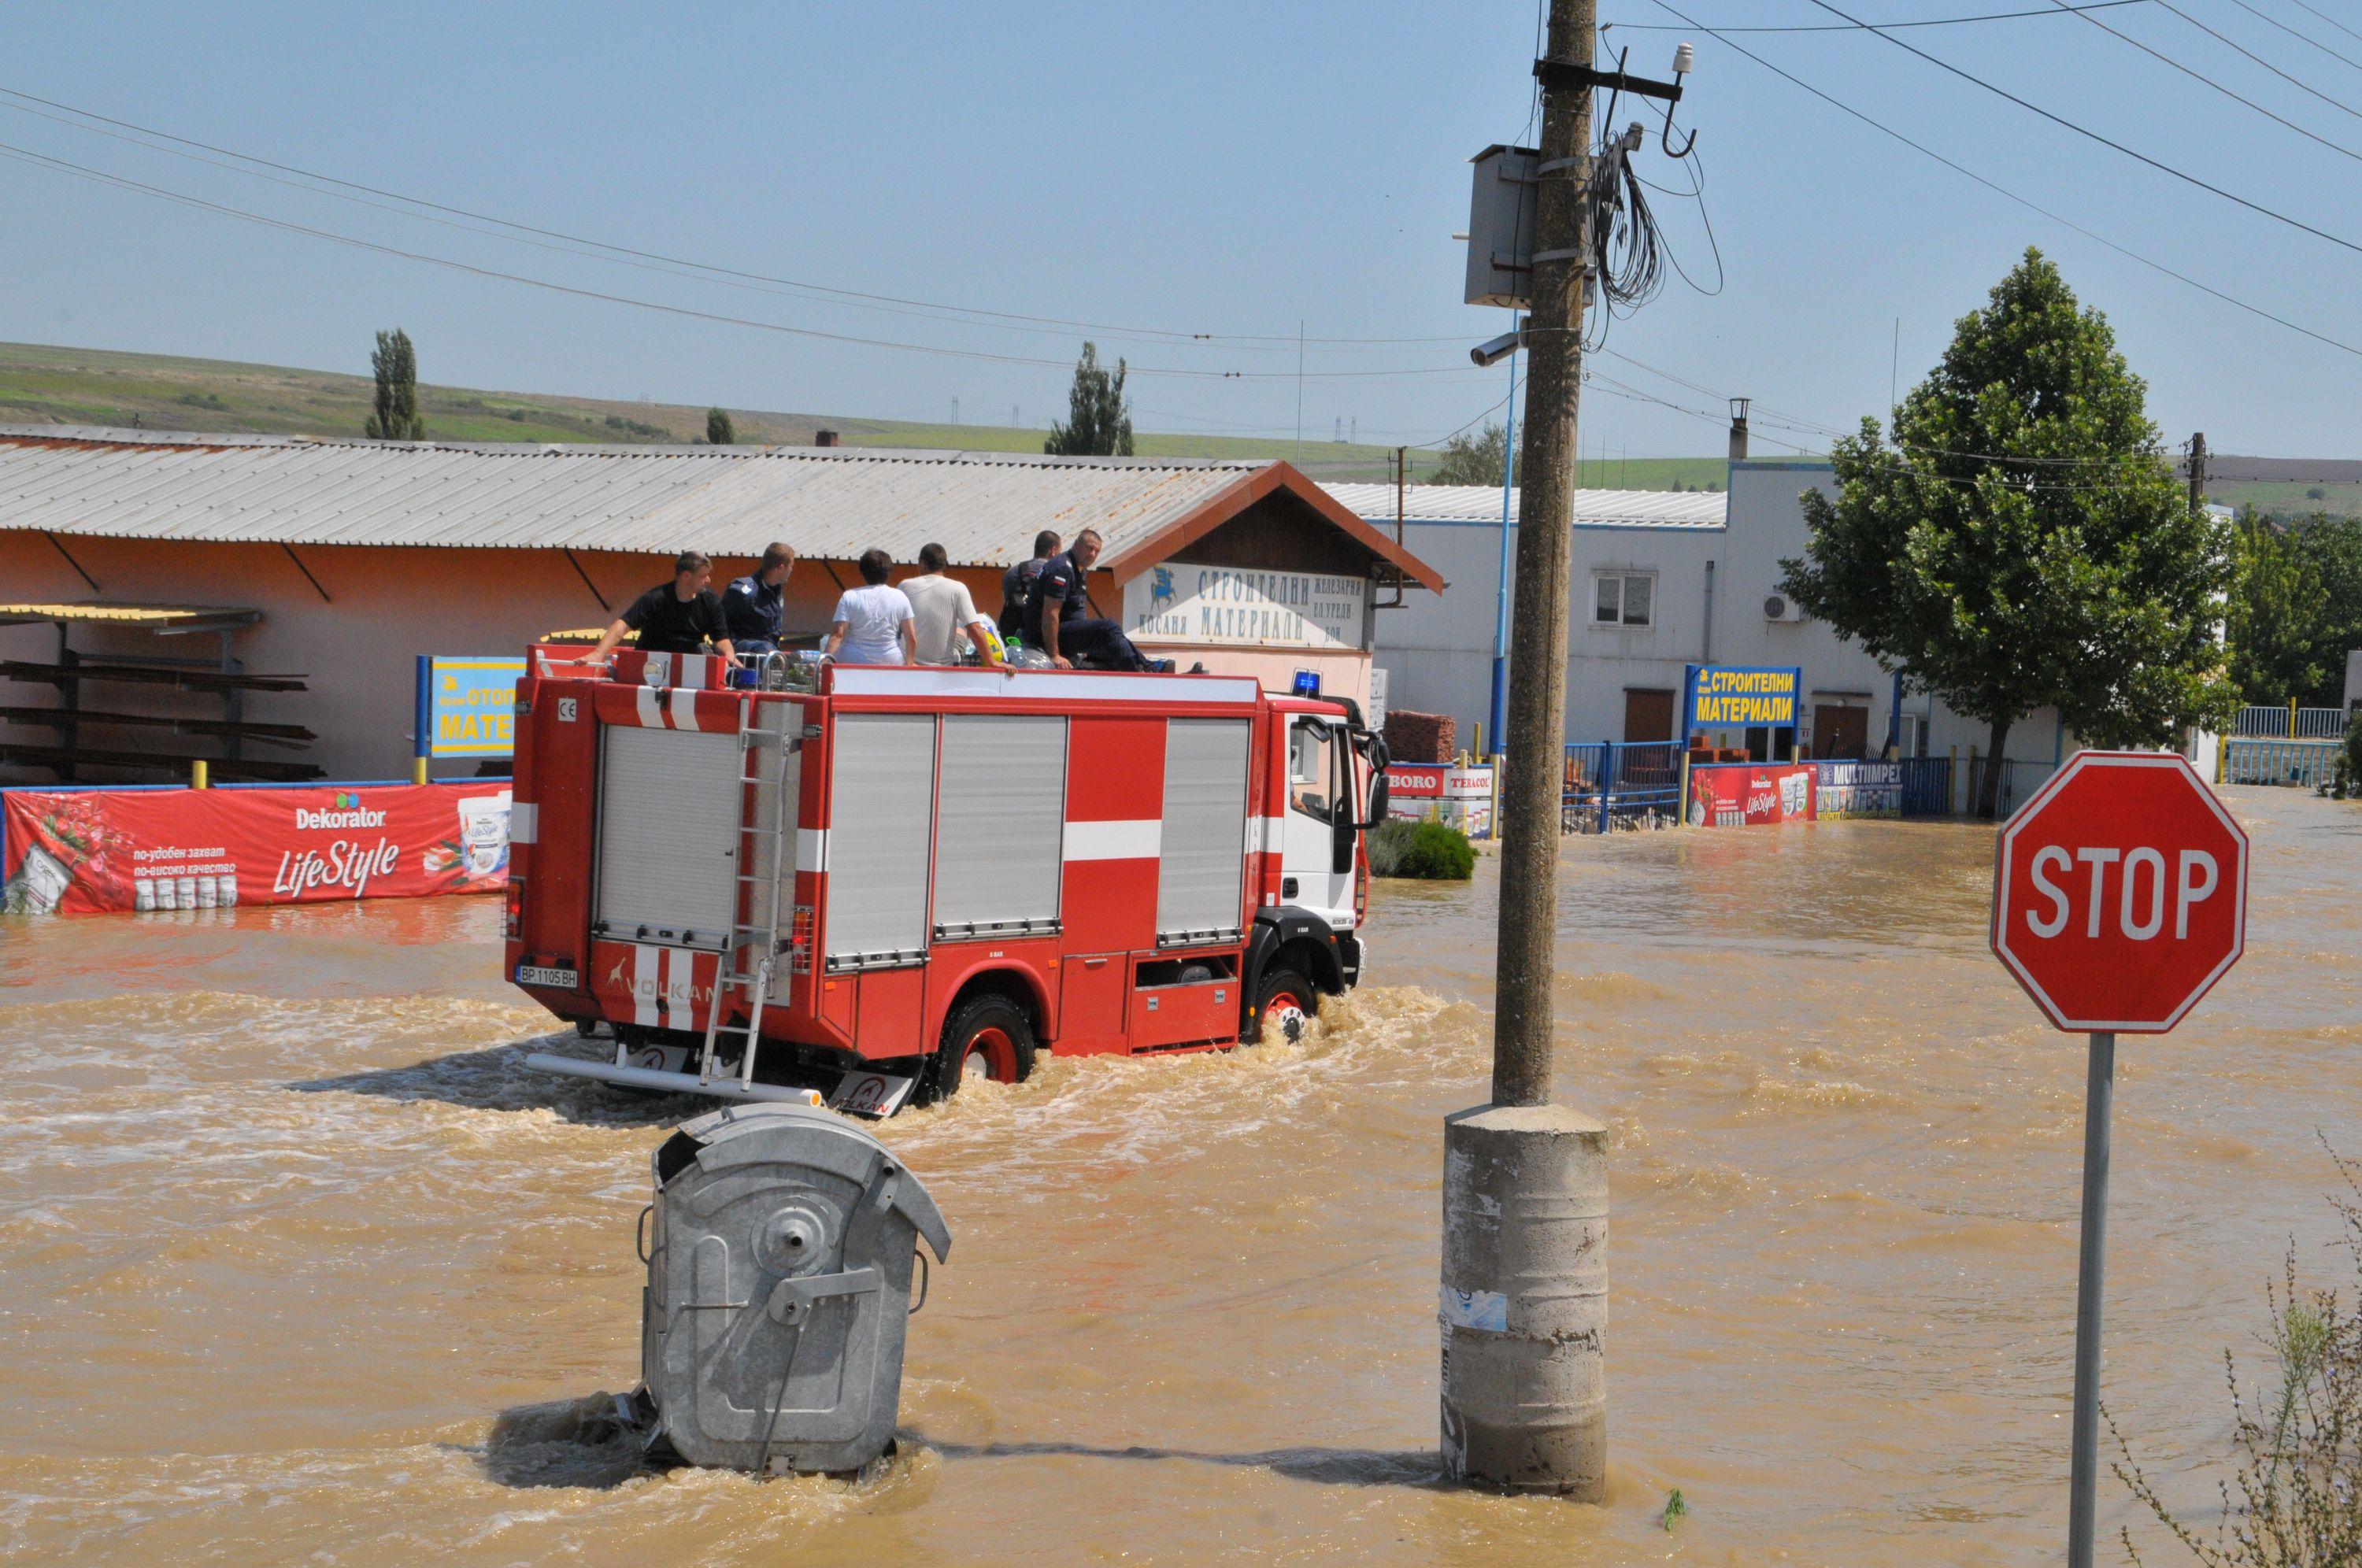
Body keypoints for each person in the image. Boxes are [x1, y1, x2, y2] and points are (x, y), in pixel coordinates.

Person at [1024, 529, 1166, 671]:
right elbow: (1050, 614)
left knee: (1114, 637)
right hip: (1041, 634)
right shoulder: (1062, 568)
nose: (1092, 554)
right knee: (1108, 627)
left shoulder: (1080, 570)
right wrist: (1054, 655)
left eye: (1097, 551)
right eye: (1089, 548)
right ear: (1076, 545)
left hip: (1064, 630)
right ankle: (1140, 672)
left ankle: (1148, 666)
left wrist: (1085, 637)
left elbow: (1077, 613)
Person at [587, 550, 738, 666]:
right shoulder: (656, 598)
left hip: (689, 666)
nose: (708, 580)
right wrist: (598, 654)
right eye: (703, 576)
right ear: (686, 576)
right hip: (651, 665)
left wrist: (731, 659)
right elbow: (622, 626)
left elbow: (721, 639)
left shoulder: (710, 602)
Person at [901, 542, 1003, 667]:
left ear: (922, 564)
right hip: (943, 667)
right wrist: (992, 662)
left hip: (910, 664)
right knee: (962, 625)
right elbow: (975, 628)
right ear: (944, 565)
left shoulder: (905, 586)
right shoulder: (958, 588)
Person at [823, 548, 916, 665]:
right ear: (888, 572)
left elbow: (838, 635)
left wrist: (823, 661)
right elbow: (911, 638)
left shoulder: (850, 597)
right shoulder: (900, 597)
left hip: (852, 660)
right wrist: (909, 665)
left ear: (863, 572)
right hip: (890, 660)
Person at [721, 542, 797, 657]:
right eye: (791, 566)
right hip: (744, 654)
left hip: (768, 655)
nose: (791, 570)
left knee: (799, 659)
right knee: (765, 650)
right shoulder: (745, 591)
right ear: (781, 567)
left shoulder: (777, 594)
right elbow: (720, 624)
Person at [999, 530, 1061, 636]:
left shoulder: (1012, 572)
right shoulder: (1057, 573)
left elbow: (1006, 602)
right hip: (1042, 637)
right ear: (1053, 550)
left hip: (1012, 636)